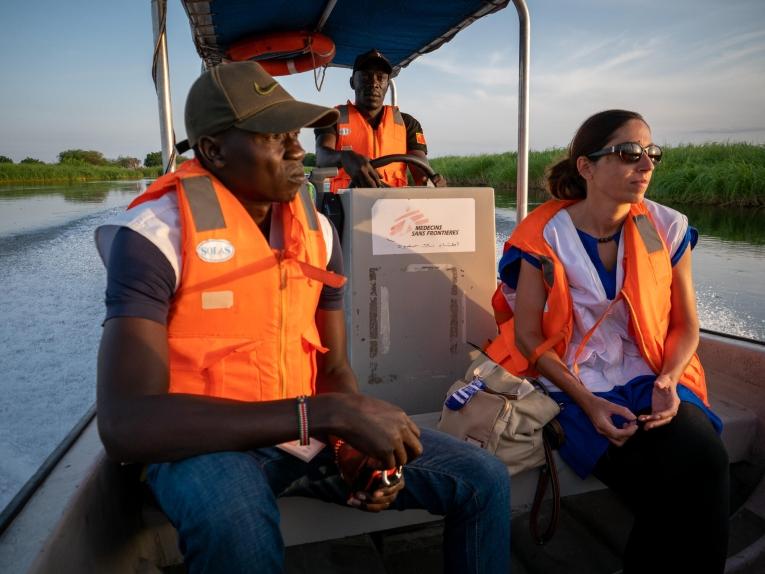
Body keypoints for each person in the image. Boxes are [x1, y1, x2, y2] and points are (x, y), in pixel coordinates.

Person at [95, 61, 510, 574]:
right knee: (236, 528)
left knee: (484, 477)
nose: (297, 150)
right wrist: (326, 417)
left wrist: (355, 448)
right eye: (275, 137)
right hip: (205, 448)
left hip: (307, 435)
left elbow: (334, 369)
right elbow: (126, 424)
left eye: (295, 135)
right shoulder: (155, 237)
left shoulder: (316, 231)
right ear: (214, 151)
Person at [486, 110, 729, 573]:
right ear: (586, 166)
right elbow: (529, 336)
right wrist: (588, 403)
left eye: (651, 153)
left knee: (706, 459)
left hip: (650, 375)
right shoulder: (542, 238)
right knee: (660, 490)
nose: (646, 165)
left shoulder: (667, 228)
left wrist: (669, 380)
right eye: (628, 153)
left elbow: (686, 325)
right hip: (573, 386)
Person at [315, 48, 446, 191]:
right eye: (366, 76)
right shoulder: (332, 117)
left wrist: (430, 181)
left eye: (381, 77)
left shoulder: (408, 123)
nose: (374, 83)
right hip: (345, 207)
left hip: (394, 206)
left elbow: (420, 166)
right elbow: (322, 157)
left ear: (387, 84)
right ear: (352, 82)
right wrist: (345, 157)